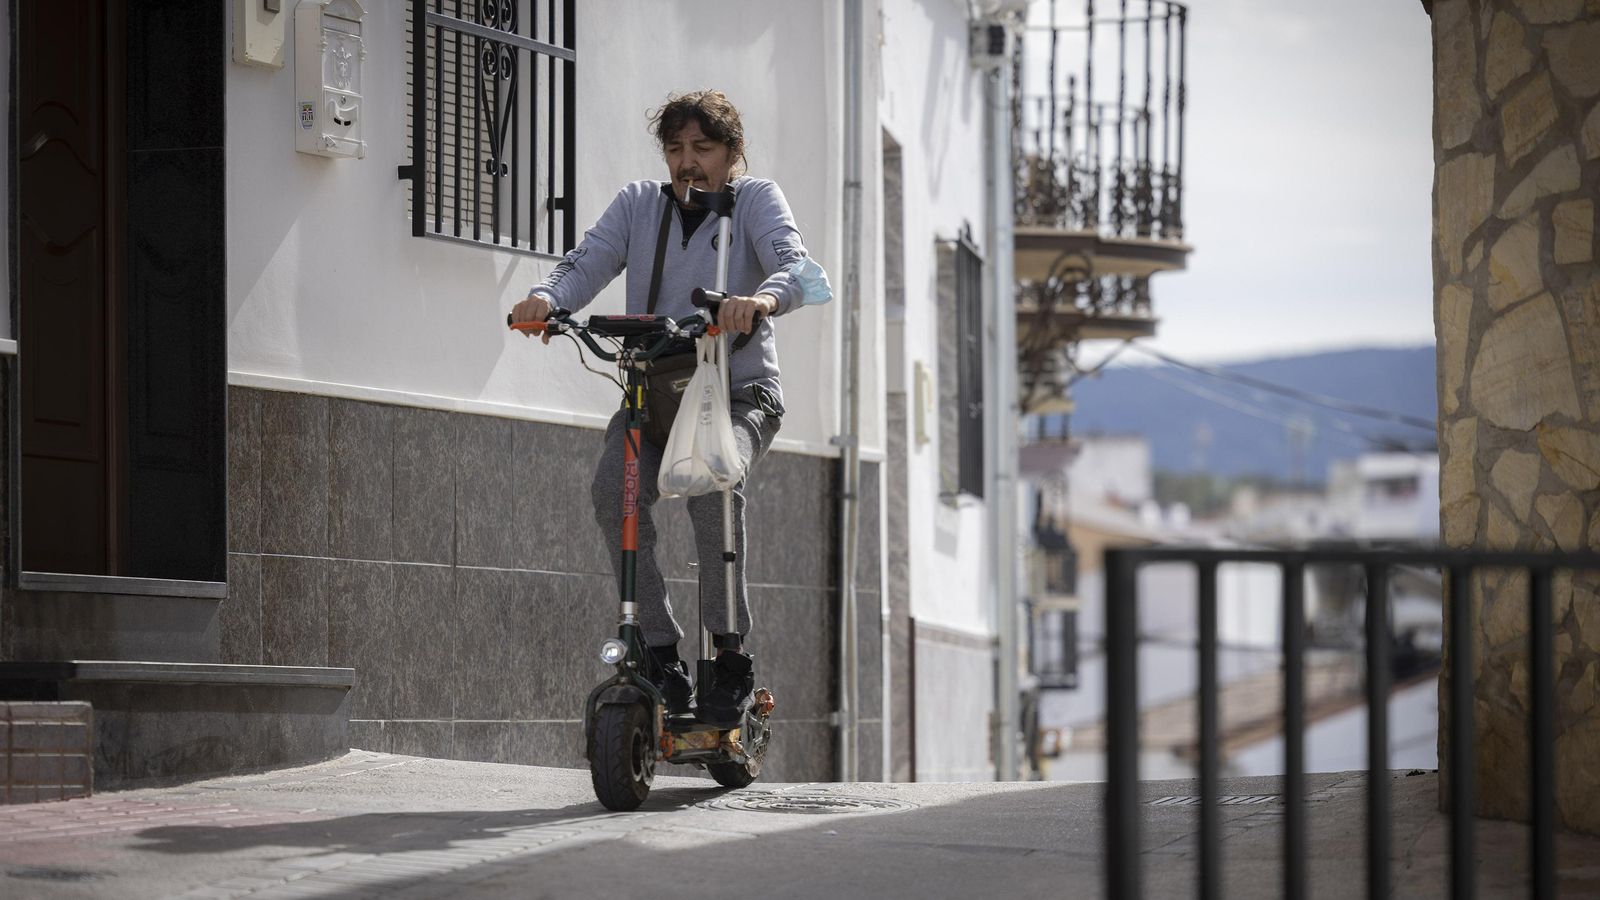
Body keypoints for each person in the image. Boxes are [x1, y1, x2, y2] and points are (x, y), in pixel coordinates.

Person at [510, 90, 827, 726]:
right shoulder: (638, 205)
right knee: (612, 493)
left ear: (733, 154)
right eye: (676, 148)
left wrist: (760, 302)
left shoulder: (757, 200)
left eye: (703, 149)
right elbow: (585, 261)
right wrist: (545, 299)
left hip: (738, 392)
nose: (687, 162)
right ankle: (659, 651)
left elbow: (798, 269)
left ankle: (730, 656)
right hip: (654, 389)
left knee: (715, 478)